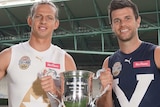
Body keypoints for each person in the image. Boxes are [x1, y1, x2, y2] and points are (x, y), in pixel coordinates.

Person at [0, 1, 77, 107]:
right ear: (30, 20)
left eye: (49, 17)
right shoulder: (10, 55)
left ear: (56, 24)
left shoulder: (65, 60)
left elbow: (75, 103)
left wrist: (55, 91)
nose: (43, 21)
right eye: (38, 16)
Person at [97, 0, 160, 107]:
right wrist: (106, 91)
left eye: (127, 18)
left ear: (138, 21)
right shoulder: (108, 63)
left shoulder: (156, 53)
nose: (123, 24)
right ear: (112, 26)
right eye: (117, 21)